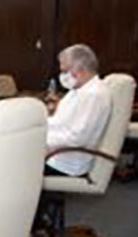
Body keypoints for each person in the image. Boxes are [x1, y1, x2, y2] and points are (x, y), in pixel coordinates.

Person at [44, 44, 112, 177]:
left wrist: (39, 138)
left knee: (9, 157)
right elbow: (60, 121)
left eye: (64, 71)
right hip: (57, 152)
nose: (62, 76)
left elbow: (77, 138)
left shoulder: (93, 95)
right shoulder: (80, 89)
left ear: (80, 69)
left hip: (64, 162)